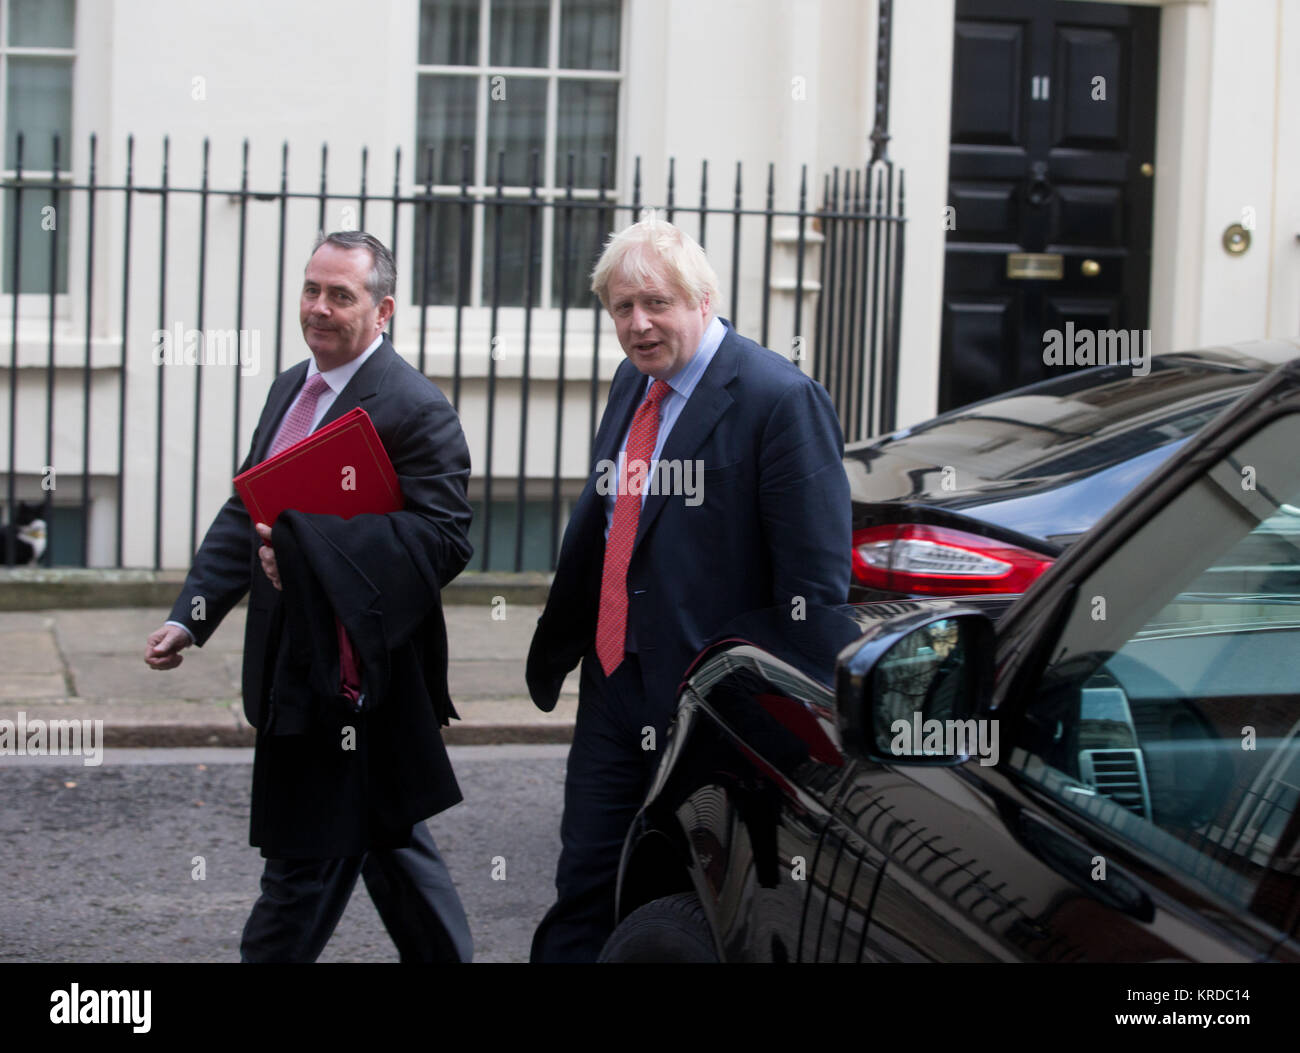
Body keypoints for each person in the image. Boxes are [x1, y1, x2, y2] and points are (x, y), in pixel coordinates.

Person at [526, 214, 851, 961]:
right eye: (621, 309)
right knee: (584, 886)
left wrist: (787, 730)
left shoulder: (778, 399)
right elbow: (614, 521)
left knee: (700, 901)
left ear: (703, 300)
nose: (638, 325)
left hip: (708, 705)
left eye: (656, 304)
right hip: (613, 682)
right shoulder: (633, 381)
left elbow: (814, 587)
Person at [144, 231, 474, 963]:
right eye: (311, 289)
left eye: (341, 295)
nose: (318, 308)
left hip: (354, 678)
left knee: (301, 865)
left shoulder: (417, 408)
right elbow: (247, 510)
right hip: (292, 662)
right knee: (388, 837)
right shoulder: (291, 385)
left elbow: (444, 541)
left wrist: (317, 557)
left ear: (383, 309)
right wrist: (190, 617)